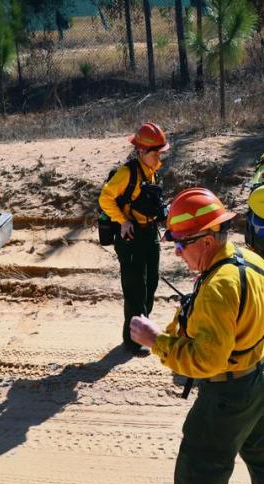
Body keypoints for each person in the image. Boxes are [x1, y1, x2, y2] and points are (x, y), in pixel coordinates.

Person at [129, 187, 264, 484]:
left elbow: (207, 362)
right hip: (262, 377)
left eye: (181, 243)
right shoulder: (250, 261)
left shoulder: (219, 287)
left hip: (228, 393)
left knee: (198, 470)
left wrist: (157, 342)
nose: (176, 251)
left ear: (205, 241)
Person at [99, 122, 170, 354]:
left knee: (151, 283)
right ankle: (132, 340)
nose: (160, 156)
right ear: (141, 151)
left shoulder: (152, 171)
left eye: (160, 151)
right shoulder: (126, 173)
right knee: (135, 290)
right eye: (156, 152)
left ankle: (142, 328)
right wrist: (122, 221)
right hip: (130, 237)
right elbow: (105, 199)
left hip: (150, 234)